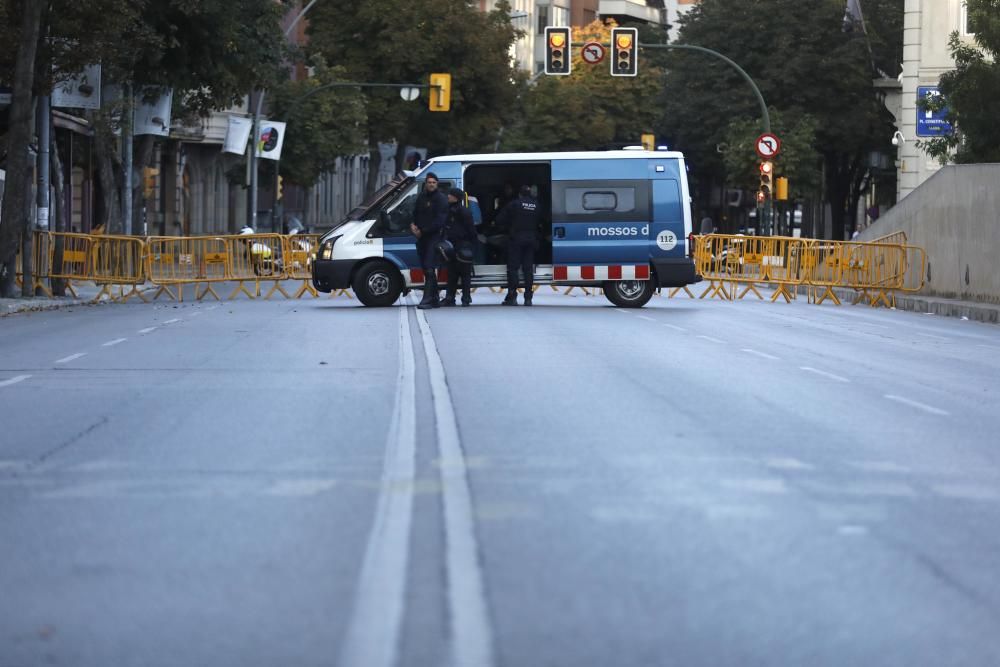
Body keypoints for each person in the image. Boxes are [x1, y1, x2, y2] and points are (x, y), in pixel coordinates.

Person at [497, 184, 541, 306]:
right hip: (531, 238)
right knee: (528, 269)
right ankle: (528, 298)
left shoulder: (514, 204)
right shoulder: (536, 205)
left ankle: (512, 296)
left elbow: (500, 219)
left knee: (513, 268)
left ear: (519, 194)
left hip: (516, 239)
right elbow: (542, 221)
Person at [410, 172, 448, 309]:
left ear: (437, 184)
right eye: (429, 182)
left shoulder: (441, 199)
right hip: (422, 238)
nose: (431, 184)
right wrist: (413, 225)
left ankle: (427, 299)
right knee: (426, 269)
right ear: (425, 184)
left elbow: (440, 221)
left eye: (434, 182)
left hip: (434, 237)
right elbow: (415, 213)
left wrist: (423, 231)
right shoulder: (421, 196)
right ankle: (435, 298)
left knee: (429, 267)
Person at [441, 188, 477, 307]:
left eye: (450, 195)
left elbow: (471, 230)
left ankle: (453, 298)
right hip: (458, 245)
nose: (448, 197)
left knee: (456, 273)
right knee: (460, 273)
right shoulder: (456, 210)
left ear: (456, 197)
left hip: (459, 245)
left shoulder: (458, 211)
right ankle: (464, 298)